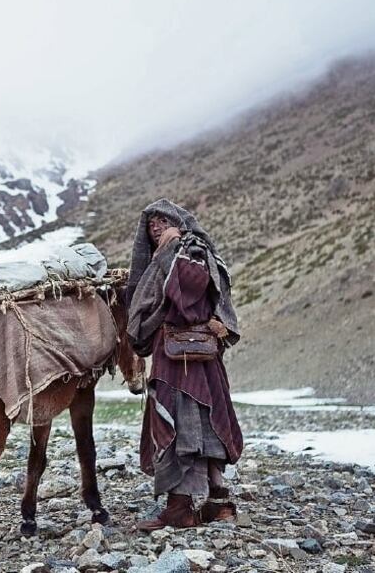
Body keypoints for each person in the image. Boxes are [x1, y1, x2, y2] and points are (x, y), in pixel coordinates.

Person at [124, 198, 243, 530]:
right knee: (198, 421)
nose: (157, 228)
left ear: (178, 222)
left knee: (186, 424)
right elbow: (143, 302)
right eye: (151, 225)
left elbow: (188, 292)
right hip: (177, 352)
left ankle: (183, 509)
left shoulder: (191, 250)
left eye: (164, 221)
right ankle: (215, 503)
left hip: (188, 357)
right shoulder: (165, 256)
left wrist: (170, 249)